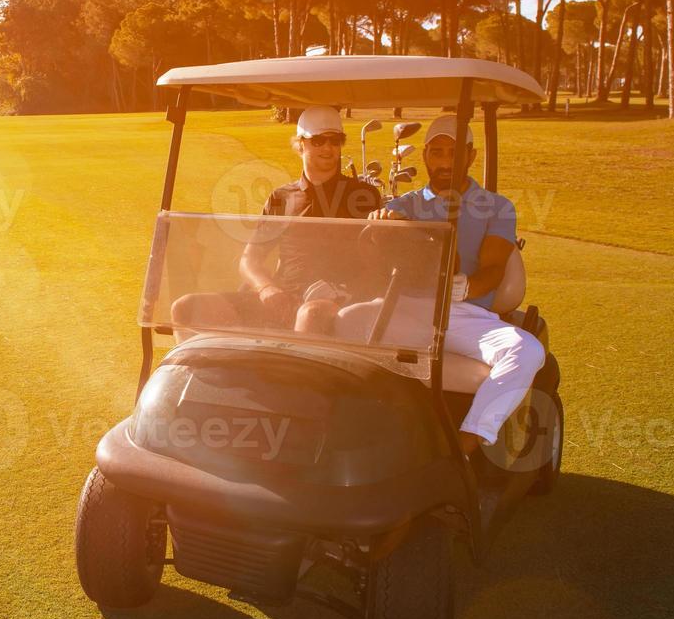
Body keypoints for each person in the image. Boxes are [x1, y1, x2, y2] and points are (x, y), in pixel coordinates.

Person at [367, 114, 545, 455]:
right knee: (337, 326)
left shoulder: (496, 207)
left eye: (454, 152)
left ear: (471, 156)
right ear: (425, 156)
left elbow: (494, 268)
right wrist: (382, 226)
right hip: (408, 310)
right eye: (437, 152)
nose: (445, 161)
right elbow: (373, 262)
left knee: (527, 350)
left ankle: (466, 444)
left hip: (464, 313)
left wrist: (467, 286)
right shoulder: (403, 205)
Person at [171, 105, 381, 337]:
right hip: (281, 298)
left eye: (335, 141)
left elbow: (377, 263)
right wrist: (267, 288)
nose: (328, 148)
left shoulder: (362, 196)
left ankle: (295, 373)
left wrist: (343, 290)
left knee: (309, 315)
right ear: (301, 144)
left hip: (334, 300)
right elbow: (250, 260)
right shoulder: (281, 197)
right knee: (185, 308)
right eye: (318, 141)